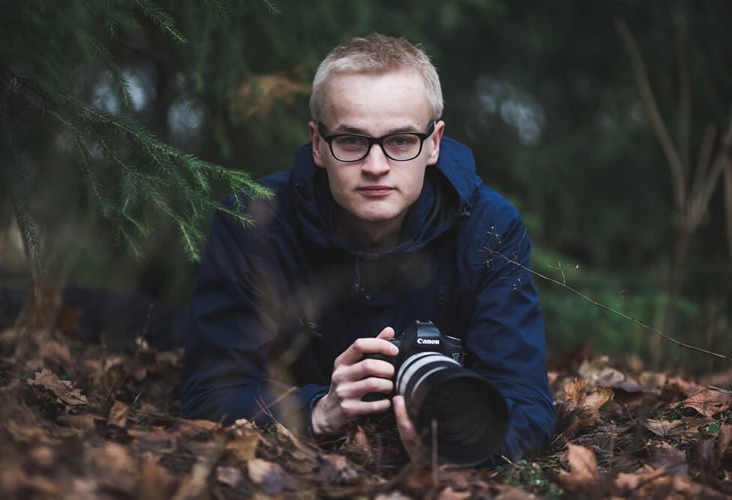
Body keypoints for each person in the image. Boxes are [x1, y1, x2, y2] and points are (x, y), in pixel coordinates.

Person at [181, 34, 555, 461]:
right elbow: (208, 394)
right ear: (318, 144)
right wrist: (317, 411)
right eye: (352, 141)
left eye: (399, 141)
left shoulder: (488, 228)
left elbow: (528, 406)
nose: (375, 167)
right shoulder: (255, 222)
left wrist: (459, 445)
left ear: (434, 143)